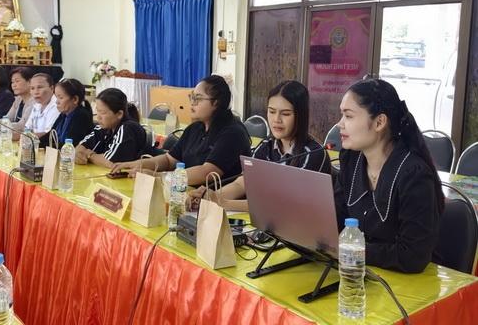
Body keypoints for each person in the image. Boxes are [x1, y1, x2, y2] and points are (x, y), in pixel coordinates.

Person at [333, 77, 444, 273]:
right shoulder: (351, 159)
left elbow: (413, 256)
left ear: (379, 122)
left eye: (348, 116)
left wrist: (353, 251)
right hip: (360, 272)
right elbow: (336, 217)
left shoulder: (414, 174)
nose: (339, 124)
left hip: (408, 283)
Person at [188, 80, 331, 212]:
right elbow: (241, 184)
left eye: (286, 114)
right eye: (272, 111)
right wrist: (209, 198)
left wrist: (223, 203)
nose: (276, 119)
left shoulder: (313, 154)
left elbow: (285, 206)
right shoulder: (266, 146)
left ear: (301, 116)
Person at [111, 75, 252, 186]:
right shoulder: (195, 128)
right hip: (185, 193)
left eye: (198, 99)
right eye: (192, 97)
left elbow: (207, 172)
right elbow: (169, 160)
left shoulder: (233, 133)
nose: (192, 103)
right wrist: (135, 165)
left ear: (216, 102)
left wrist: (159, 176)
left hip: (215, 202)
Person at [75, 88, 145, 168]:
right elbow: (81, 146)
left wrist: (89, 155)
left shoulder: (128, 128)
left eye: (103, 112)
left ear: (119, 114)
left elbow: (111, 162)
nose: (98, 117)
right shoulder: (104, 127)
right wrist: (78, 155)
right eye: (97, 111)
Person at [39, 78, 94, 148]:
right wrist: (37, 142)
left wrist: (44, 146)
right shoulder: (64, 114)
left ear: (75, 99)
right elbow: (51, 135)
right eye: (56, 97)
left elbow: (70, 145)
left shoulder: (81, 116)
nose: (57, 102)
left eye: (61, 98)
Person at [24, 73, 59, 137]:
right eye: (32, 88)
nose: (36, 92)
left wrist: (22, 136)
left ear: (52, 88)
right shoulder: (36, 105)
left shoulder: (57, 106)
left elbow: (48, 134)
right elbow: (27, 128)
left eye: (40, 87)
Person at [6, 67, 35, 138]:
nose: (14, 85)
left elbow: (21, 126)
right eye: (12, 82)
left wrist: (1, 125)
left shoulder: (34, 101)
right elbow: (7, 119)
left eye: (17, 81)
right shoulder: (18, 99)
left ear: (30, 82)